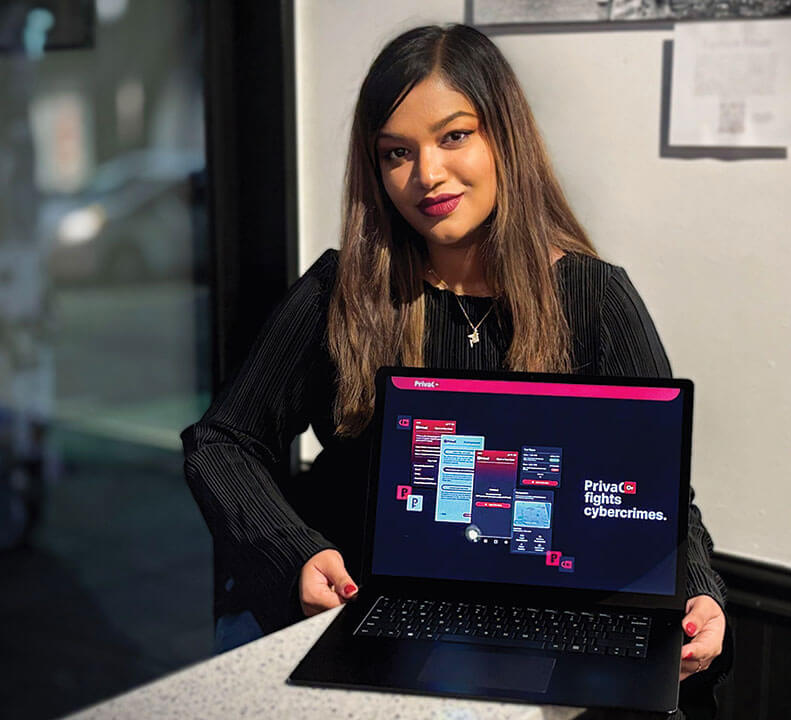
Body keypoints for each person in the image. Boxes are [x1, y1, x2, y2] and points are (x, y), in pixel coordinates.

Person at [182, 23, 731, 717]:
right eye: (395, 153)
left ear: (504, 135)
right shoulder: (340, 290)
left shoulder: (595, 298)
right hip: (363, 615)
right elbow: (220, 442)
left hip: (540, 621)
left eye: (452, 137)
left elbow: (659, 497)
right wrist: (293, 554)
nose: (427, 176)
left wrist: (702, 591)